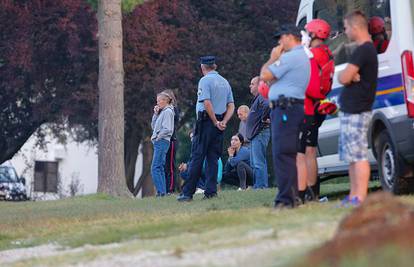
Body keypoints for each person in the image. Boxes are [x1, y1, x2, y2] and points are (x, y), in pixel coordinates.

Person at [260, 24, 310, 209]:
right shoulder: (299, 56)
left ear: (290, 37)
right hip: (289, 108)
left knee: (283, 154)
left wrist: (272, 58)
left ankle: (285, 199)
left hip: (285, 109)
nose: (279, 43)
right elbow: (271, 78)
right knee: (287, 153)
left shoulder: (290, 57)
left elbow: (265, 75)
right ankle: (291, 196)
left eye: (281, 38)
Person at [177, 56, 235, 202]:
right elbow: (231, 105)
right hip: (220, 124)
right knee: (213, 158)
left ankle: (187, 193)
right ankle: (210, 192)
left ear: (203, 67)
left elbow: (207, 102)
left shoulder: (205, 80)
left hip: (206, 122)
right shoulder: (224, 82)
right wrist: (224, 121)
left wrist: (215, 121)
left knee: (197, 157)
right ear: (214, 66)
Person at [338, 11, 378, 205]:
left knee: (358, 154)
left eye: (346, 27)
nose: (345, 31)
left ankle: (359, 197)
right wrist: (349, 75)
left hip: (358, 108)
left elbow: (344, 77)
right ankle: (354, 195)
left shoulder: (364, 50)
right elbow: (345, 77)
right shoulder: (363, 50)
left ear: (355, 27)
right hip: (352, 108)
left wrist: (349, 75)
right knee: (352, 155)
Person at [297, 19, 334, 203]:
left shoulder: (313, 55)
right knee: (309, 150)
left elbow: (308, 85)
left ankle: (307, 193)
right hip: (319, 106)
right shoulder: (327, 53)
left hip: (309, 107)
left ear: (313, 34)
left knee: (304, 152)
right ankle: (312, 193)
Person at [245, 76, 271, 189]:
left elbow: (267, 105)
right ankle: (260, 186)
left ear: (260, 85)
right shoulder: (258, 98)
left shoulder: (262, 96)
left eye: (252, 83)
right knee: (257, 163)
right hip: (256, 135)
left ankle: (260, 187)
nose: (250, 86)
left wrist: (264, 118)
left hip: (259, 133)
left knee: (258, 163)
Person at [151, 91, 175, 197]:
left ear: (165, 101)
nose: (157, 103)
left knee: (155, 168)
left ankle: (161, 192)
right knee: (159, 167)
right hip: (160, 142)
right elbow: (153, 126)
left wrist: (158, 137)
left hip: (161, 141)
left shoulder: (168, 112)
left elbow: (167, 129)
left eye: (158, 101)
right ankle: (162, 192)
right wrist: (155, 114)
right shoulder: (162, 112)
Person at [163, 89, 180, 194]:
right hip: (164, 141)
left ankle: (171, 188)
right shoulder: (163, 111)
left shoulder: (173, 110)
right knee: (164, 166)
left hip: (172, 140)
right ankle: (164, 188)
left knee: (170, 166)